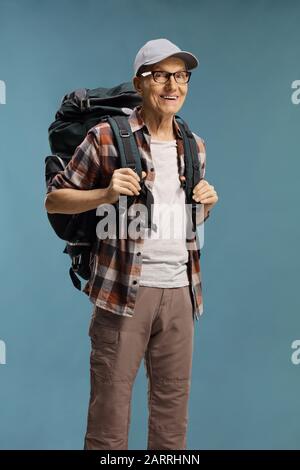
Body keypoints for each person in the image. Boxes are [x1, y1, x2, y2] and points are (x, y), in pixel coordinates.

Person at [44, 38, 218, 450]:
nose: (172, 85)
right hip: (122, 293)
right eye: (160, 75)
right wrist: (104, 194)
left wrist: (205, 205)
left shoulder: (194, 146)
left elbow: (183, 221)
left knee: (171, 425)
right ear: (140, 83)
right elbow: (55, 199)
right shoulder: (107, 137)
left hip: (181, 294)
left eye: (180, 76)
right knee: (109, 423)